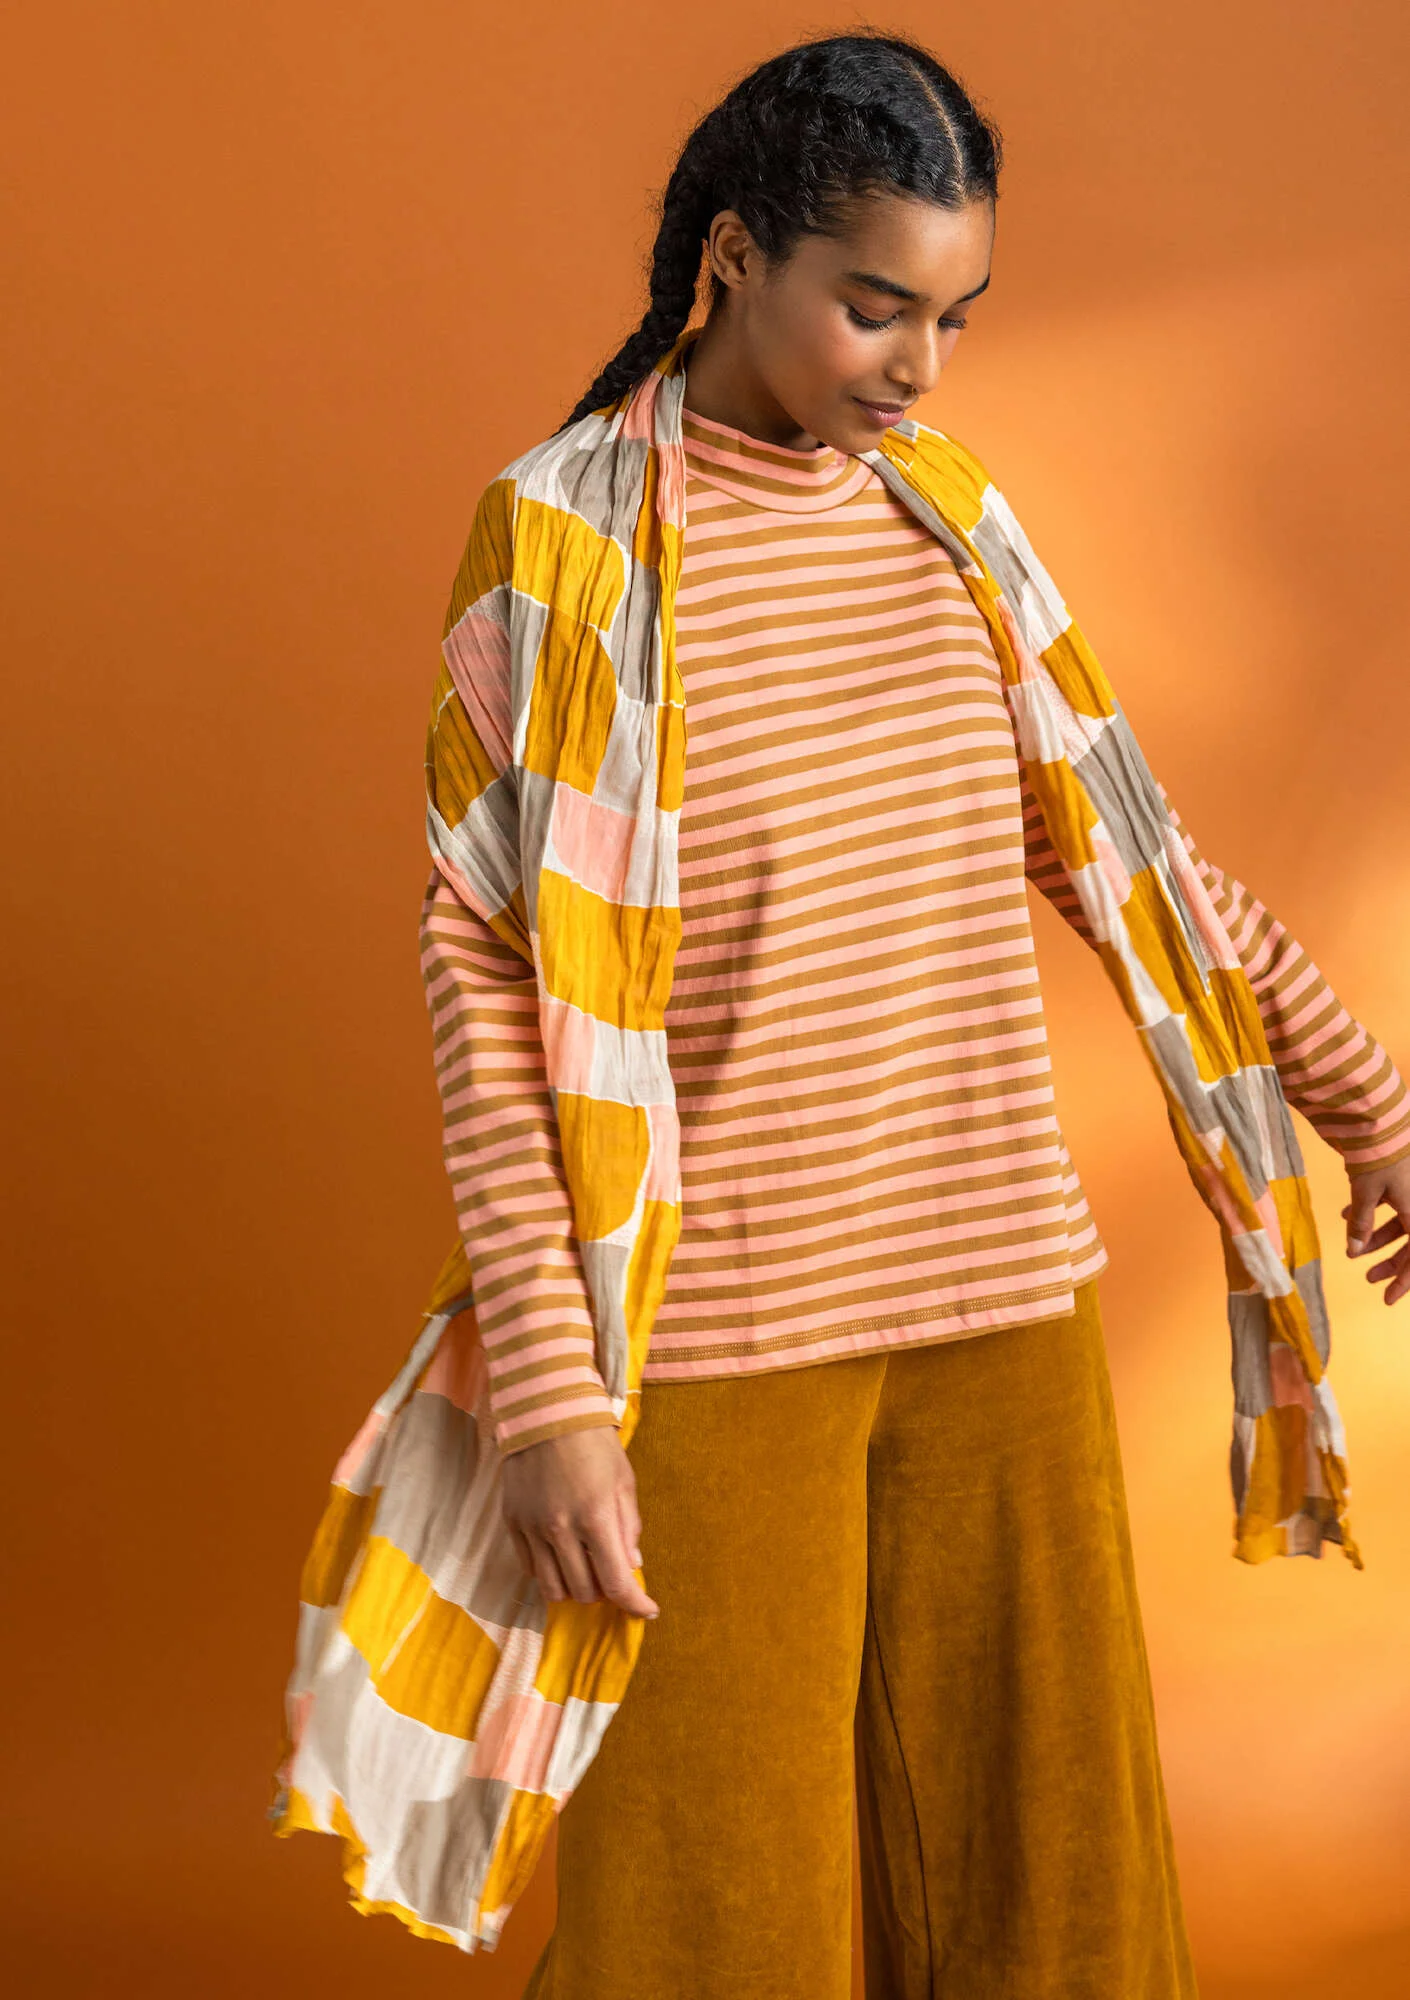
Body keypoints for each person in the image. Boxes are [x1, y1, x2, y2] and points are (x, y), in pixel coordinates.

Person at [277, 27, 1410, 2000]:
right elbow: (483, 967)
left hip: (1001, 1307)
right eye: (875, 305)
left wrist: (1368, 1104)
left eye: (955, 316)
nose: (919, 365)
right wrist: (548, 1394)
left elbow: (1129, 858)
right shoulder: (562, 544)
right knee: (711, 1923)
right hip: (719, 1345)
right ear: (736, 257)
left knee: (1059, 1909)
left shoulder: (950, 518)